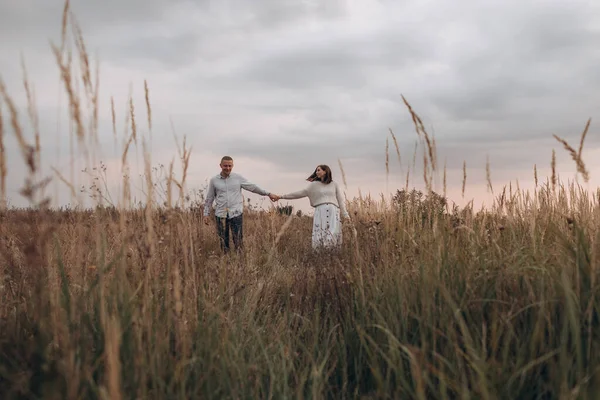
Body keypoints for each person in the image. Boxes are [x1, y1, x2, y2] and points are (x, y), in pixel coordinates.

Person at [204, 156, 278, 253]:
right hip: (220, 215)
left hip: (236, 214)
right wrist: (206, 213)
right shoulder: (214, 180)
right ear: (220, 166)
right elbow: (210, 197)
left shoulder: (238, 178)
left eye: (230, 166)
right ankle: (226, 264)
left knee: (238, 242)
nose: (227, 168)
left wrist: (268, 193)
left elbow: (253, 187)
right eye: (225, 166)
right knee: (223, 242)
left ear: (233, 166)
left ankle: (240, 264)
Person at [271, 165, 350, 250]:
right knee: (320, 234)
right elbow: (299, 193)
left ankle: (333, 256)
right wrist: (281, 196)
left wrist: (346, 215)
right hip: (320, 212)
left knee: (333, 233)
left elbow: (340, 200)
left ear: (325, 171)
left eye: (318, 170)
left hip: (333, 212)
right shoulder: (313, 185)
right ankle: (321, 255)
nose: (316, 172)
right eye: (316, 171)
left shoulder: (334, 184)